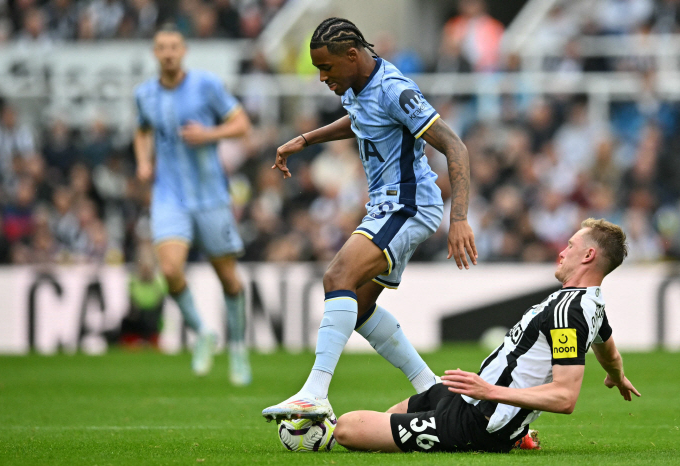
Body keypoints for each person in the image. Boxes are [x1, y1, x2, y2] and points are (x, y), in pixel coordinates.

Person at [262, 18, 477, 421]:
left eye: (327, 68)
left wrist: (460, 218)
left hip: (408, 205)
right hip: (385, 206)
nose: (323, 78)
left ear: (352, 55)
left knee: (336, 277)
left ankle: (315, 392)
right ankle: (431, 389)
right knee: (357, 307)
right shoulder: (358, 84)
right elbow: (362, 120)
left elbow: (455, 145)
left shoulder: (396, 89)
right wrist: (306, 139)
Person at [333, 219, 640, 453]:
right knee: (392, 414)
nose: (562, 251)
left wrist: (489, 391)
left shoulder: (568, 312)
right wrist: (617, 375)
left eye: (570, 246)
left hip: (479, 422)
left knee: (347, 428)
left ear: (588, 255)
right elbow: (607, 346)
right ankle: (519, 432)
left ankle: (514, 433)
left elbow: (564, 397)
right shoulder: (588, 303)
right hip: (470, 396)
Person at [133, 24, 253, 384]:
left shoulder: (206, 85)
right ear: (155, 53)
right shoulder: (144, 95)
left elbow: (242, 124)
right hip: (169, 197)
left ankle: (237, 350)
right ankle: (203, 332)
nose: (168, 52)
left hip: (211, 196)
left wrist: (209, 134)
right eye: (161, 47)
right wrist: (143, 161)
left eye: (174, 46)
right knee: (169, 270)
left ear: (183, 51)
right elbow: (142, 130)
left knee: (229, 279)